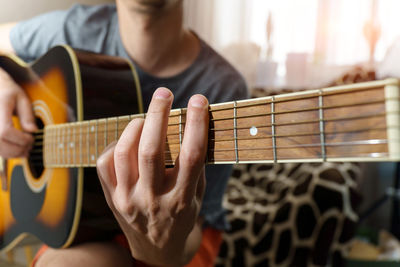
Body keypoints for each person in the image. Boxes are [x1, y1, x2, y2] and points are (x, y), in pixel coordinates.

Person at [0, 0, 248, 266]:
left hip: (180, 237)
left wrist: (161, 249)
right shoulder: (76, 29)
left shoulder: (223, 85)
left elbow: (193, 228)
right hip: (86, 225)